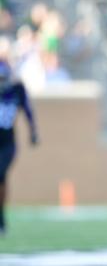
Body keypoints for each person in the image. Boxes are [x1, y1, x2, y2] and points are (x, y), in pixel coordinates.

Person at [0, 61, 38, 235]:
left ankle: (1, 217)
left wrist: (33, 132)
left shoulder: (16, 91)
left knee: (0, 174)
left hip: (7, 143)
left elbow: (28, 110)